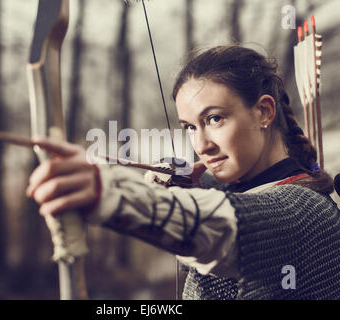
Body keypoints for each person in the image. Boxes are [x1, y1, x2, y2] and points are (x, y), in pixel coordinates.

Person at [25, 45, 340, 300]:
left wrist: (108, 193)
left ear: (264, 111)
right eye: (190, 127)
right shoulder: (227, 193)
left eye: (215, 119)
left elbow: (219, 225)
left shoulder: (306, 210)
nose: (201, 144)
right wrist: (189, 192)